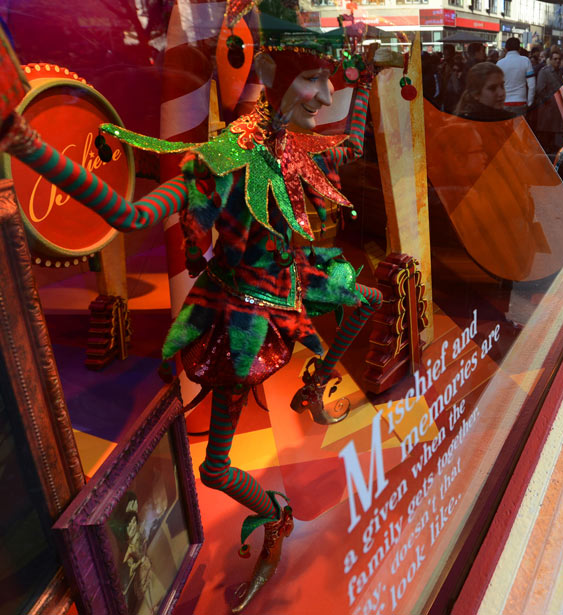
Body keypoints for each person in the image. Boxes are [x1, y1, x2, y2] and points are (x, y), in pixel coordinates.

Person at [1, 19, 383, 613]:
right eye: (314, 79)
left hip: (294, 283)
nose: (325, 96)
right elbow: (131, 218)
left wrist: (362, 83)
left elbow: (352, 146)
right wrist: (30, 148)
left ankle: (314, 384)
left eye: (328, 81)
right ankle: (275, 517)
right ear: (269, 78)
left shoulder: (292, 141)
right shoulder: (222, 156)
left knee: (370, 300)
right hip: (244, 314)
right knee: (217, 468)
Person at [497, 37, 535, 115]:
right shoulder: (525, 61)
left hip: (504, 102)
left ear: (506, 49)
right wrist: (529, 102)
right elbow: (532, 85)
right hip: (521, 102)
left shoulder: (499, 63)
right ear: (519, 48)